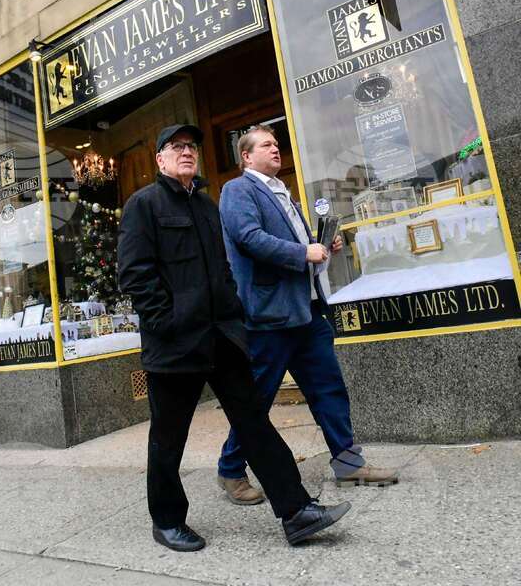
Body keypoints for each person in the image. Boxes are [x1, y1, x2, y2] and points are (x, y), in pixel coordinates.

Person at [117, 123, 350, 551]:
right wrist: (166, 323)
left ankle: (296, 511)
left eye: (191, 147)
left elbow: (224, 269)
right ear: (160, 159)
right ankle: (167, 521)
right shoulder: (143, 205)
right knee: (169, 439)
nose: (187, 153)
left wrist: (233, 317)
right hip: (174, 346)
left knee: (254, 424)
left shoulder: (207, 205)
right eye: (176, 147)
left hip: (222, 338)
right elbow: (134, 276)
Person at [215, 125, 397, 507]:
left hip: (308, 310)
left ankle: (348, 463)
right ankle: (231, 469)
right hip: (270, 317)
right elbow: (248, 238)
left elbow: (294, 245)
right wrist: (303, 253)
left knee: (328, 388)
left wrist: (320, 245)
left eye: (277, 144)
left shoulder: (284, 192)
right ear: (246, 157)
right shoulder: (238, 190)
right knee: (258, 400)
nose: (276, 149)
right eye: (267, 145)